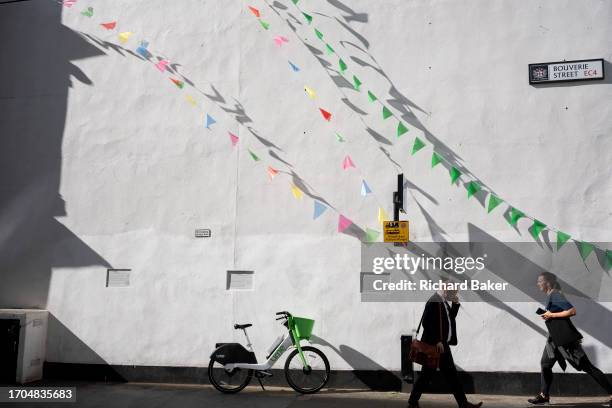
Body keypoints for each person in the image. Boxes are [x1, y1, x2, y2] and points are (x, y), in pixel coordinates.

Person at [528, 272, 612, 407]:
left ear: (547, 282)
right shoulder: (551, 296)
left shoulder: (556, 295)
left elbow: (572, 311)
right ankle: (544, 395)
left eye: (539, 281)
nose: (538, 284)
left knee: (588, 367)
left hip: (565, 339)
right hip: (554, 339)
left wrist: (552, 315)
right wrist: (549, 315)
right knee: (545, 364)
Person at [408, 286, 483, 408]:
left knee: (451, 376)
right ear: (445, 289)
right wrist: (437, 340)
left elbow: (449, 319)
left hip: (443, 347)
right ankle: (412, 403)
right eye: (453, 292)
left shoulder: (442, 302)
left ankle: (463, 404)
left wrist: (455, 304)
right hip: (434, 347)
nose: (454, 294)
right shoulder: (434, 300)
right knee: (426, 376)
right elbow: (426, 322)